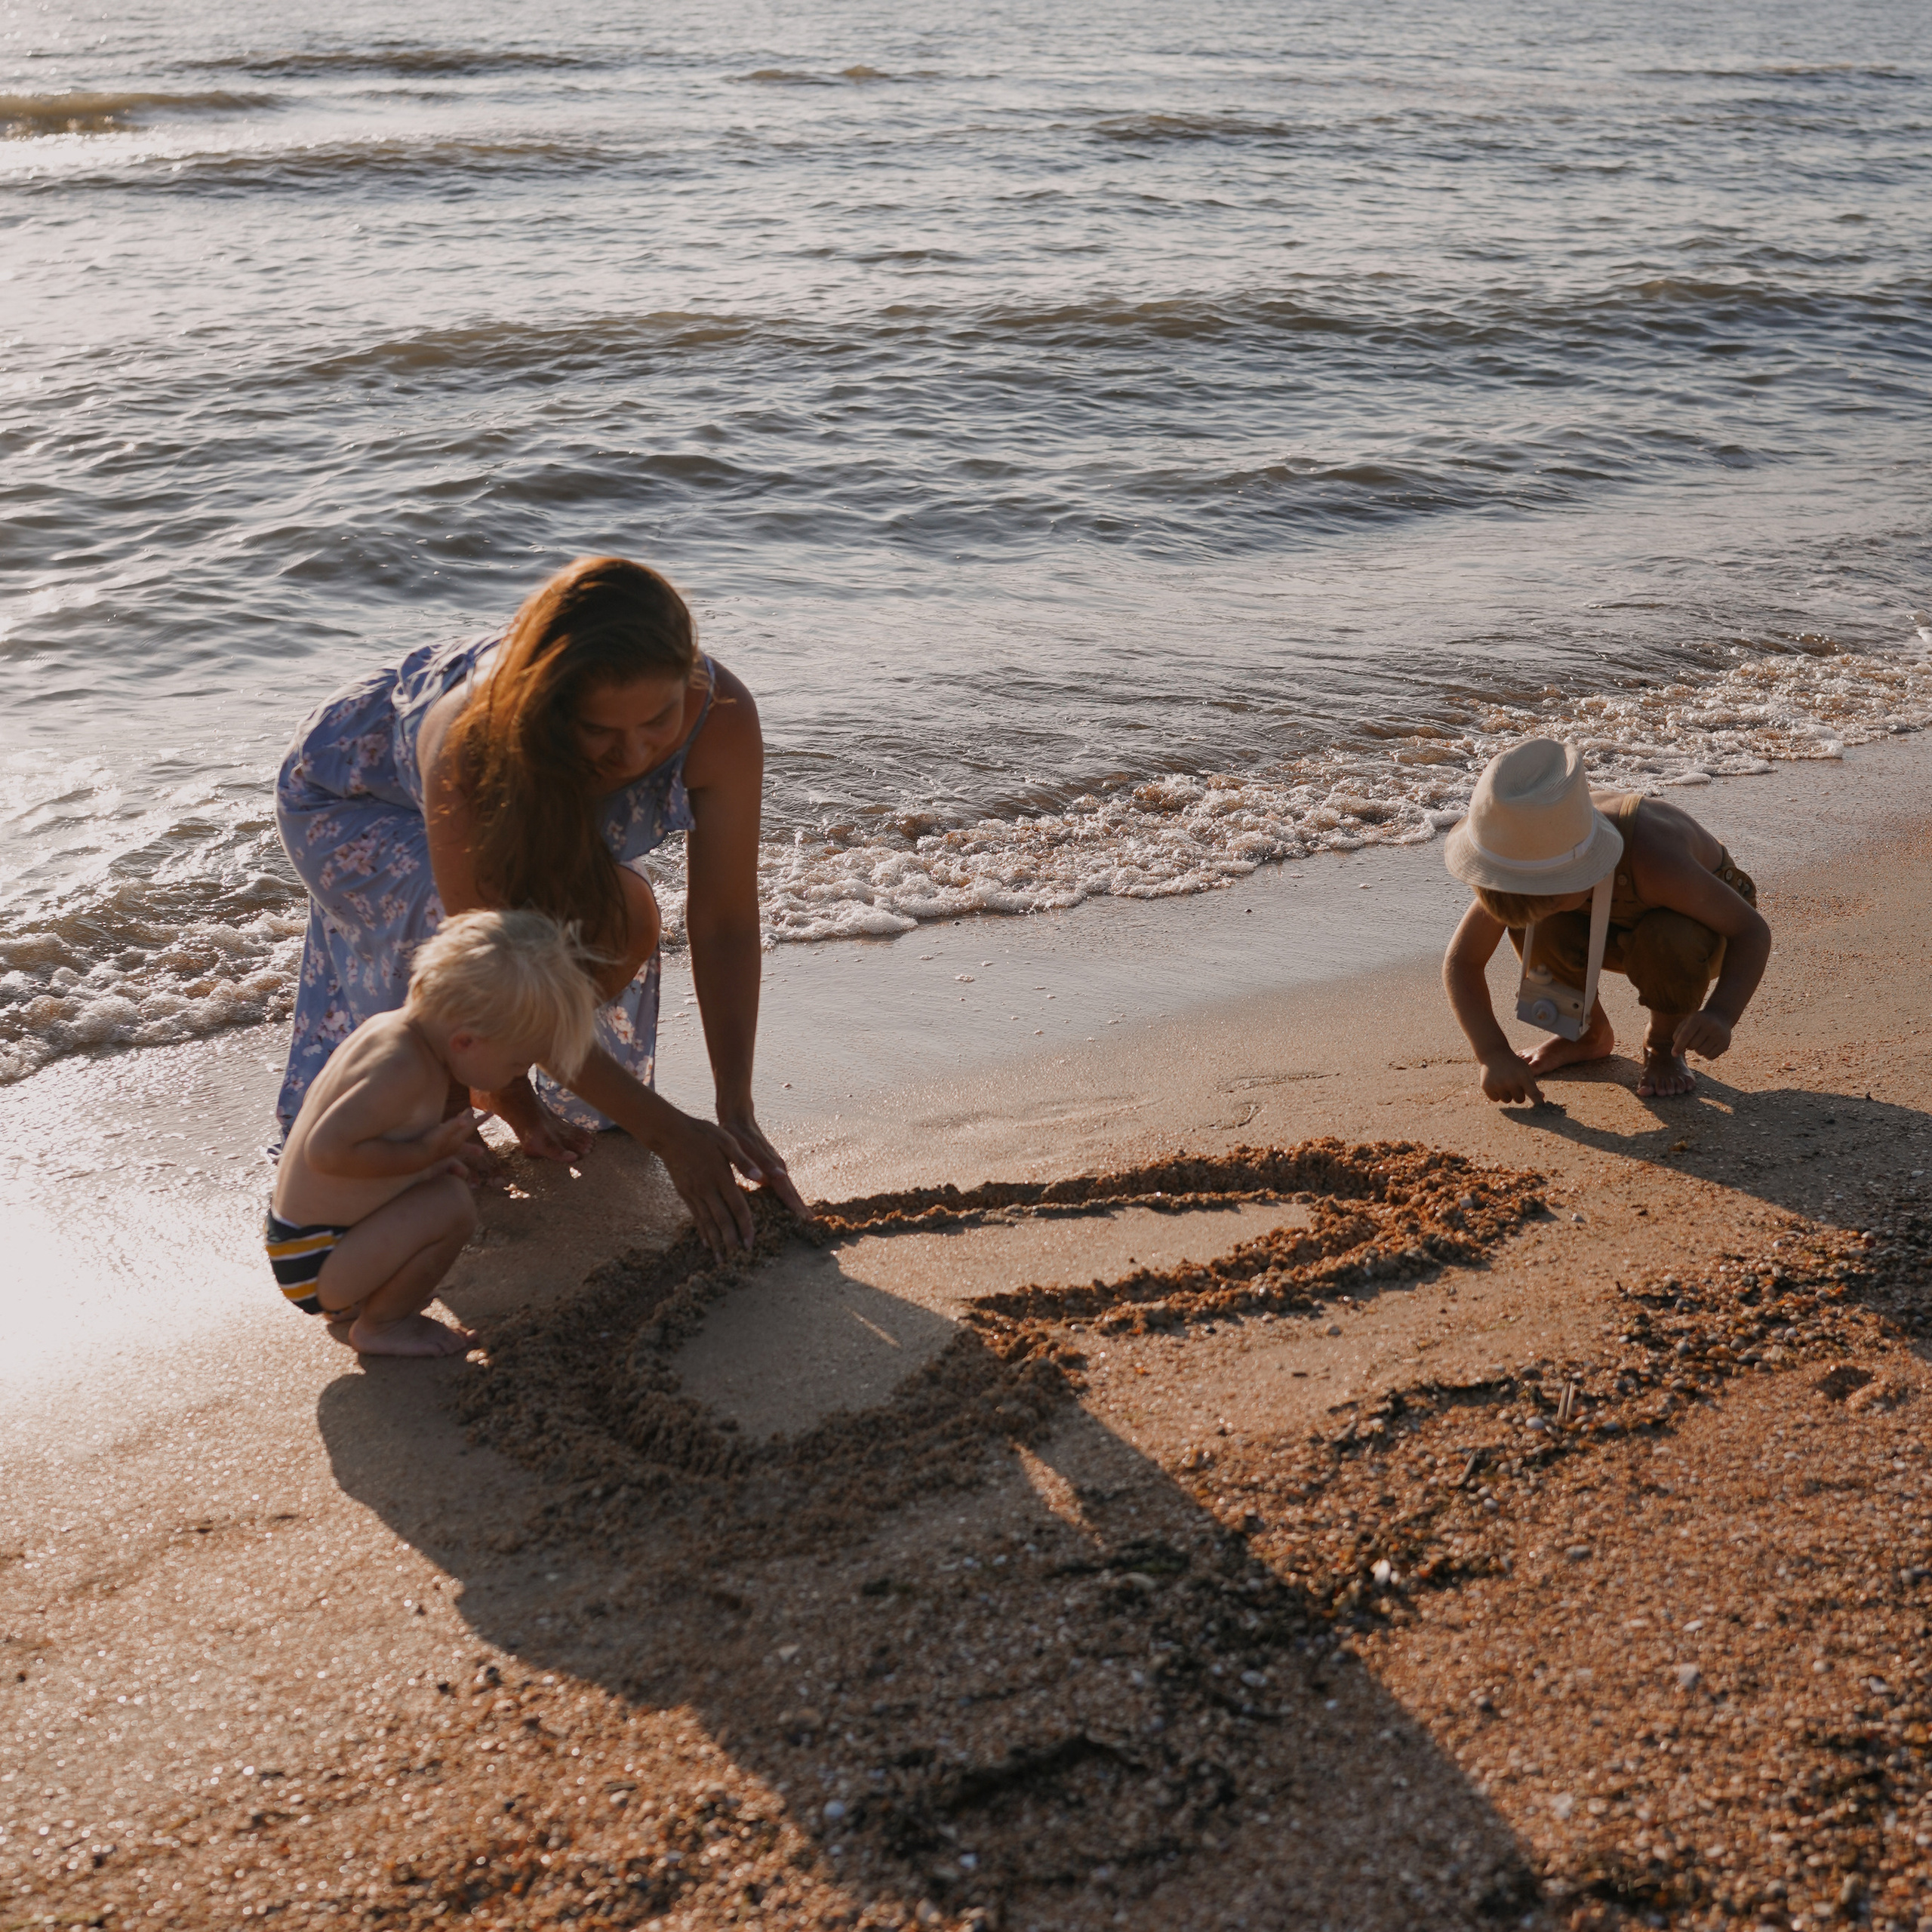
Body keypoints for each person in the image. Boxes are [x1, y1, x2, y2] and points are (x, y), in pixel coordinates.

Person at [275, 556, 806, 1253]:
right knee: (462, 974)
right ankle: (484, 1094)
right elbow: (483, 971)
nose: (636, 754)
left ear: (690, 677)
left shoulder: (721, 715)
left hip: (519, 788)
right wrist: (667, 1132)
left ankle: (507, 1080)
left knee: (625, 917)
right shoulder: (473, 735)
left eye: (658, 718)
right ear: (552, 704)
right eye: (601, 731)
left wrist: (733, 1106)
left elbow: (726, 921)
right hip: (360, 802)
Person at [268, 909, 600, 1356]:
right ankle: (383, 1324)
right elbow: (324, 1151)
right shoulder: (401, 1067)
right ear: (466, 1041)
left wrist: (429, 1158)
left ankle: (360, 1298)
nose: (514, 1078)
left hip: (323, 1237)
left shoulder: (398, 1032)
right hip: (315, 1254)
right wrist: (424, 1153)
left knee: (442, 1183)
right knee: (451, 1207)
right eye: (516, 1065)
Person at [1441, 738, 1770, 1103]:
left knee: (1667, 936)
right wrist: (1492, 1054)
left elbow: (1751, 931)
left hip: (1703, 926)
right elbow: (1462, 963)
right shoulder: (1522, 846)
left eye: (1552, 895)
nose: (1545, 906)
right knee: (1531, 922)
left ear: (1584, 866)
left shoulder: (1655, 859)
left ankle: (1663, 1046)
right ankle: (1582, 1034)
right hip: (1604, 919)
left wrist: (1722, 1013)